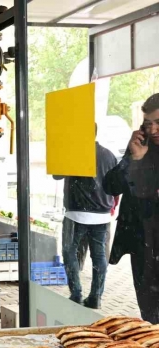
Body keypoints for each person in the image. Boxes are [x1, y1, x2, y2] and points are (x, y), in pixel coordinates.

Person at [103, 93, 159, 323]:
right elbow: (111, 186)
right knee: (150, 315)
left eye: (158, 122)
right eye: (148, 124)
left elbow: (147, 190)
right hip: (142, 244)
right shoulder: (141, 148)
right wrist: (134, 159)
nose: (153, 129)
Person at [53, 125, 118, 309]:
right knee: (99, 257)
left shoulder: (76, 153)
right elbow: (116, 185)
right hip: (102, 215)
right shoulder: (109, 155)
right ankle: (95, 297)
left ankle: (76, 294)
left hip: (76, 214)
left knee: (69, 251)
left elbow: (56, 175)